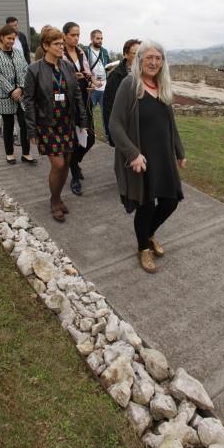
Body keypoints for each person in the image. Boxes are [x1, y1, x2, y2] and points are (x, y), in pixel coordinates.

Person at [109, 40, 186, 274]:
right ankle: (144, 248)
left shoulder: (161, 85)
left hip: (162, 155)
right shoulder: (130, 84)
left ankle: (148, 234)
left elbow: (169, 123)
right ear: (140, 60)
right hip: (142, 157)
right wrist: (133, 154)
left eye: (158, 58)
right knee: (146, 205)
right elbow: (115, 124)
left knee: (170, 201)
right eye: (149, 58)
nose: (153, 62)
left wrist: (179, 152)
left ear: (163, 62)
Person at [24, 27, 87, 223]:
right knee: (58, 164)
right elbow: (29, 101)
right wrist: (31, 129)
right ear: (45, 46)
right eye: (57, 44)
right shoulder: (34, 70)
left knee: (66, 163)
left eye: (62, 44)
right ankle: (54, 200)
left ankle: (58, 198)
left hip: (66, 122)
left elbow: (76, 94)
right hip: (47, 124)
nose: (61, 47)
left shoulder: (67, 67)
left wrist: (82, 119)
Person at [0, 24, 36, 165]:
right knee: (8, 126)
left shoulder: (18, 52)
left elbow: (24, 70)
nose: (11, 41)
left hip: (21, 94)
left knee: (24, 125)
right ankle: (9, 153)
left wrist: (20, 88)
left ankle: (26, 153)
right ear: (2, 37)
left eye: (13, 39)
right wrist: (11, 90)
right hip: (5, 95)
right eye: (9, 38)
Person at [62, 21, 97, 196]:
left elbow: (87, 71)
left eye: (78, 35)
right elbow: (56, 76)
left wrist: (92, 82)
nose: (76, 38)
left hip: (85, 98)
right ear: (65, 36)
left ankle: (73, 163)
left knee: (90, 138)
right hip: (69, 101)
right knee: (74, 139)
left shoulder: (81, 52)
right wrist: (71, 76)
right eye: (72, 35)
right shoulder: (60, 54)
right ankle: (75, 175)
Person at [103, 38, 141, 145]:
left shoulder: (145, 74)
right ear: (125, 54)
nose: (138, 57)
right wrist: (111, 132)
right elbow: (108, 105)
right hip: (124, 126)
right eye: (134, 54)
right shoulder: (116, 75)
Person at [84, 29, 110, 120]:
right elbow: (84, 69)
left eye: (101, 38)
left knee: (105, 114)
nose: (100, 41)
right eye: (98, 38)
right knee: (89, 114)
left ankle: (106, 134)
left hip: (104, 86)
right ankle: (91, 134)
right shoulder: (86, 51)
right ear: (92, 39)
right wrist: (91, 81)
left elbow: (108, 66)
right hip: (92, 87)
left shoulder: (105, 51)